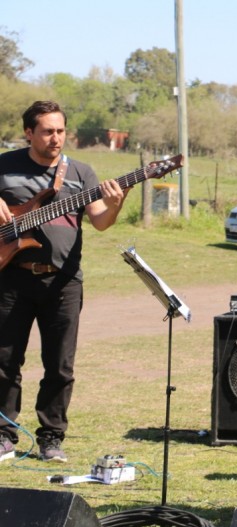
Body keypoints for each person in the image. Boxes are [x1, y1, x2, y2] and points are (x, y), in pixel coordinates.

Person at [0, 100, 127, 463]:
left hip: (64, 282)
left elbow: (101, 222)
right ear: (29, 133)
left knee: (60, 364)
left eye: (60, 131)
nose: (56, 138)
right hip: (12, 278)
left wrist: (116, 203)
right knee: (5, 360)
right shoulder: (5, 165)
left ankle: (51, 438)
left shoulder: (81, 172)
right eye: (47, 131)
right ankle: (4, 435)